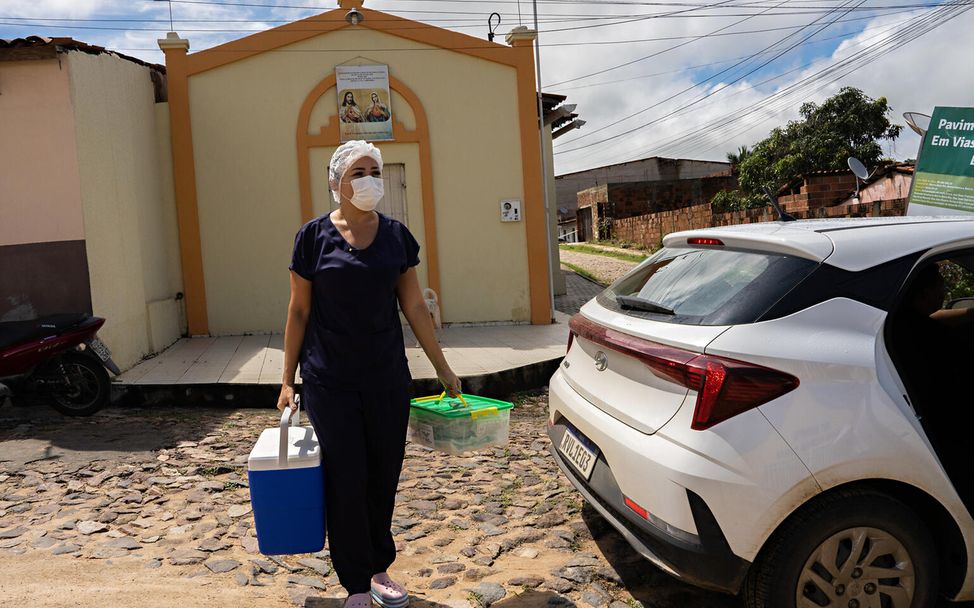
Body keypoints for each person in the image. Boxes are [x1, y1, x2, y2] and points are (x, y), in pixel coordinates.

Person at [278, 140, 461, 608]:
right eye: (358, 172)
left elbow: (415, 305)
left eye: (374, 170)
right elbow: (298, 312)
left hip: (385, 378)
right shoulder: (312, 237)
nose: (369, 180)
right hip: (329, 379)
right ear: (337, 181)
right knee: (346, 476)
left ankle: (379, 567)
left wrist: (443, 368)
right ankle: (356, 583)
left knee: (383, 473)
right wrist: (286, 380)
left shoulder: (397, 237)